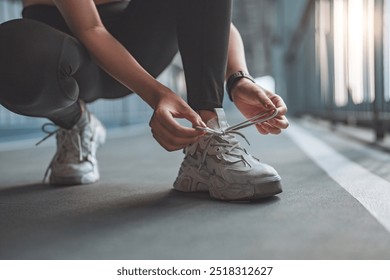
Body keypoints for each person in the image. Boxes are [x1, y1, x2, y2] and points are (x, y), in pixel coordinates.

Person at [0, 0, 289, 201]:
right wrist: (157, 94)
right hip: (60, 52)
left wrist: (238, 78)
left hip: (133, 45)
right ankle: (74, 123)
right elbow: (90, 29)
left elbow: (210, 17)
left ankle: (206, 138)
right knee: (14, 51)